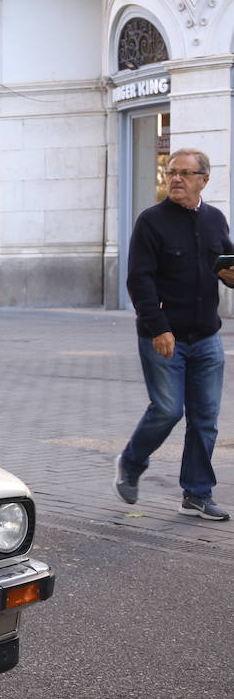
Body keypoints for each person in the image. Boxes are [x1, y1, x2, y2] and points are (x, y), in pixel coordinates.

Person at [116, 148, 234, 519]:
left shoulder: (216, 219)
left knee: (205, 419)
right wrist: (159, 328)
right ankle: (132, 464)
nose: (176, 179)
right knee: (167, 410)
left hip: (207, 337)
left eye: (185, 173)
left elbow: (226, 264)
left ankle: (197, 493)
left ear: (204, 179)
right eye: (171, 172)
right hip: (164, 336)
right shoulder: (151, 221)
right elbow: (139, 280)